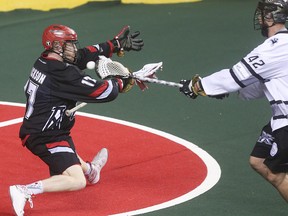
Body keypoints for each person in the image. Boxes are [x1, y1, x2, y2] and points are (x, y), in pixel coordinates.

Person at [9, 24, 144, 215]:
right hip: (45, 135)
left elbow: (82, 56)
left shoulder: (45, 60)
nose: (74, 48)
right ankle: (23, 191)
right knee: (76, 180)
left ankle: (91, 170)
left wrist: (113, 45)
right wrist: (122, 81)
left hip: (49, 130)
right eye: (70, 44)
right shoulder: (63, 73)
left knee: (73, 161)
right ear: (57, 46)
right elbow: (102, 92)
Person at [179, 0, 288, 202]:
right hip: (280, 119)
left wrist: (199, 86)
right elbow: (255, 86)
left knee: (275, 173)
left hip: (286, 120)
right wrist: (222, 90)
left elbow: (235, 75)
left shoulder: (275, 47)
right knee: (259, 161)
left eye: (263, 13)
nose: (259, 18)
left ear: (271, 17)